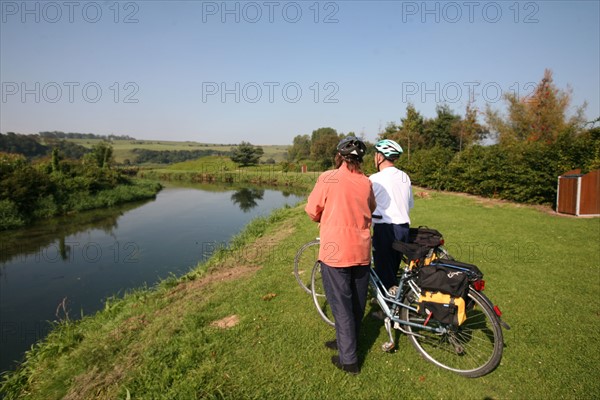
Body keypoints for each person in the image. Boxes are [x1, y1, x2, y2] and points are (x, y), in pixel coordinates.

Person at [305, 136, 376, 375]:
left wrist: (323, 217)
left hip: (336, 251)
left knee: (341, 305)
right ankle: (345, 341)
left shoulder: (328, 177)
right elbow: (371, 208)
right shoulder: (366, 182)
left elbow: (312, 209)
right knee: (356, 303)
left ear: (339, 156)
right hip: (361, 249)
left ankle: (349, 361)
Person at [369, 139, 414, 292]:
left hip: (385, 229)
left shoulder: (375, 179)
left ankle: (388, 309)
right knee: (393, 268)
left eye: (375, 155)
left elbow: (367, 205)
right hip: (403, 228)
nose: (374, 158)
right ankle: (394, 300)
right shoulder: (404, 177)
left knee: (384, 271)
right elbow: (409, 204)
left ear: (380, 157)